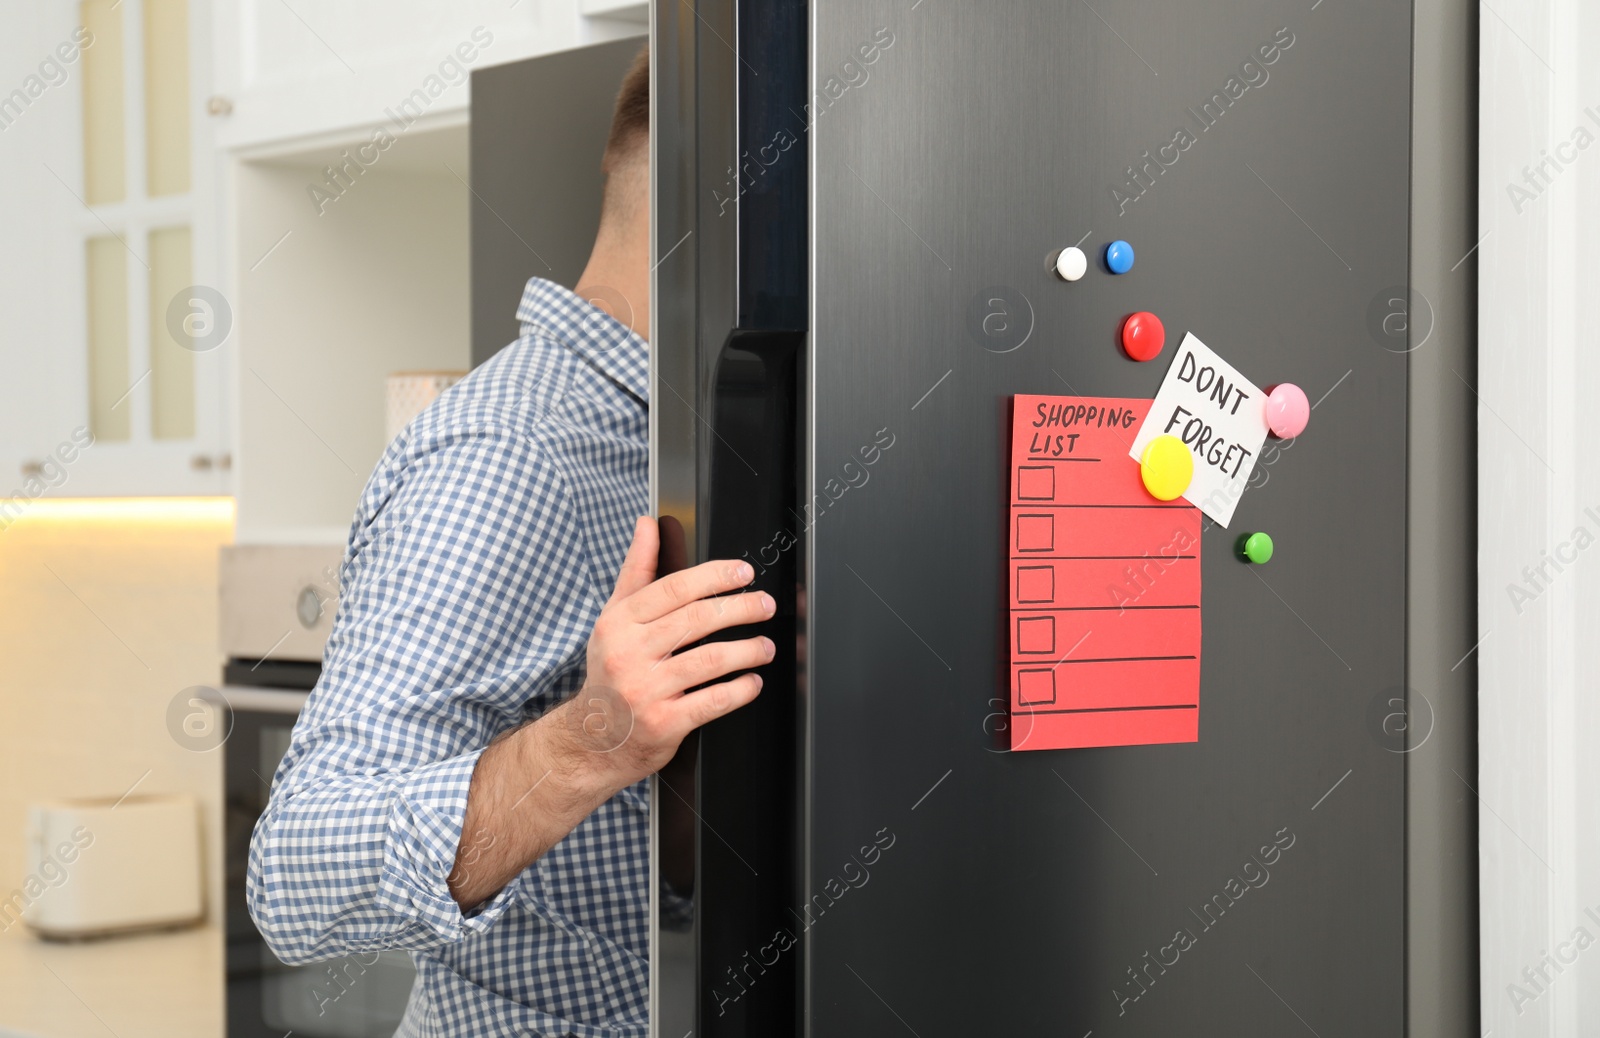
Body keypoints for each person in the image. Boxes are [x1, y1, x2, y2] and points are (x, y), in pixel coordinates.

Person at [247, 46, 767, 1037]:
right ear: (715, 196)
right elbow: (296, 880)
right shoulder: (509, 454)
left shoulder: (685, 438)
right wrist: (586, 742)